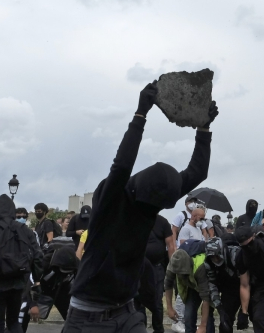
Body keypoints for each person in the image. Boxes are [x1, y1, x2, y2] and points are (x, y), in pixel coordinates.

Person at [64, 82, 218, 333]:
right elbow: (121, 166)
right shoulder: (110, 204)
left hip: (126, 309)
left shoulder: (148, 198)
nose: (154, 211)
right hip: (89, 315)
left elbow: (197, 172)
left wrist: (203, 127)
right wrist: (141, 115)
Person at [0, 194, 43, 333]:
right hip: (18, 281)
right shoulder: (25, 230)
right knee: (14, 322)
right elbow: (38, 256)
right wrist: (36, 280)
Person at [165, 244, 214, 333]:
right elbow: (168, 285)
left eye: (184, 273)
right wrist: (169, 308)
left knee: (208, 317)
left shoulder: (200, 266)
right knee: (188, 315)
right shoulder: (173, 263)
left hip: (206, 283)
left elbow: (205, 298)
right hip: (192, 285)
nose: (182, 276)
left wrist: (203, 326)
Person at [140, 214, 175, 333]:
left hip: (157, 268)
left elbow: (171, 246)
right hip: (138, 268)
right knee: (137, 299)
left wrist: (172, 267)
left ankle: (158, 329)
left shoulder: (162, 222)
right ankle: (140, 328)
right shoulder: (135, 219)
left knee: (157, 300)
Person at [203, 236, 241, 333]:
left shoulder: (236, 255)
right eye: (212, 257)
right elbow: (212, 284)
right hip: (228, 289)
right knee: (225, 322)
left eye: (217, 256)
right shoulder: (209, 263)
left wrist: (244, 311)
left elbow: (250, 280)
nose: (215, 259)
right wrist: (220, 308)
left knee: (257, 317)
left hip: (247, 287)